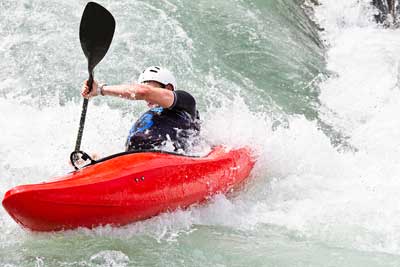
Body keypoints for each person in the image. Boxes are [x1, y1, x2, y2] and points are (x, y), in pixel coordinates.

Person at [81, 66, 200, 152]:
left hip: (171, 161)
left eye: (148, 86)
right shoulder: (149, 118)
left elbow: (143, 92)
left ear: (168, 88)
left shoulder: (185, 102)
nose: (143, 95)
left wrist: (100, 89)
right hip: (137, 164)